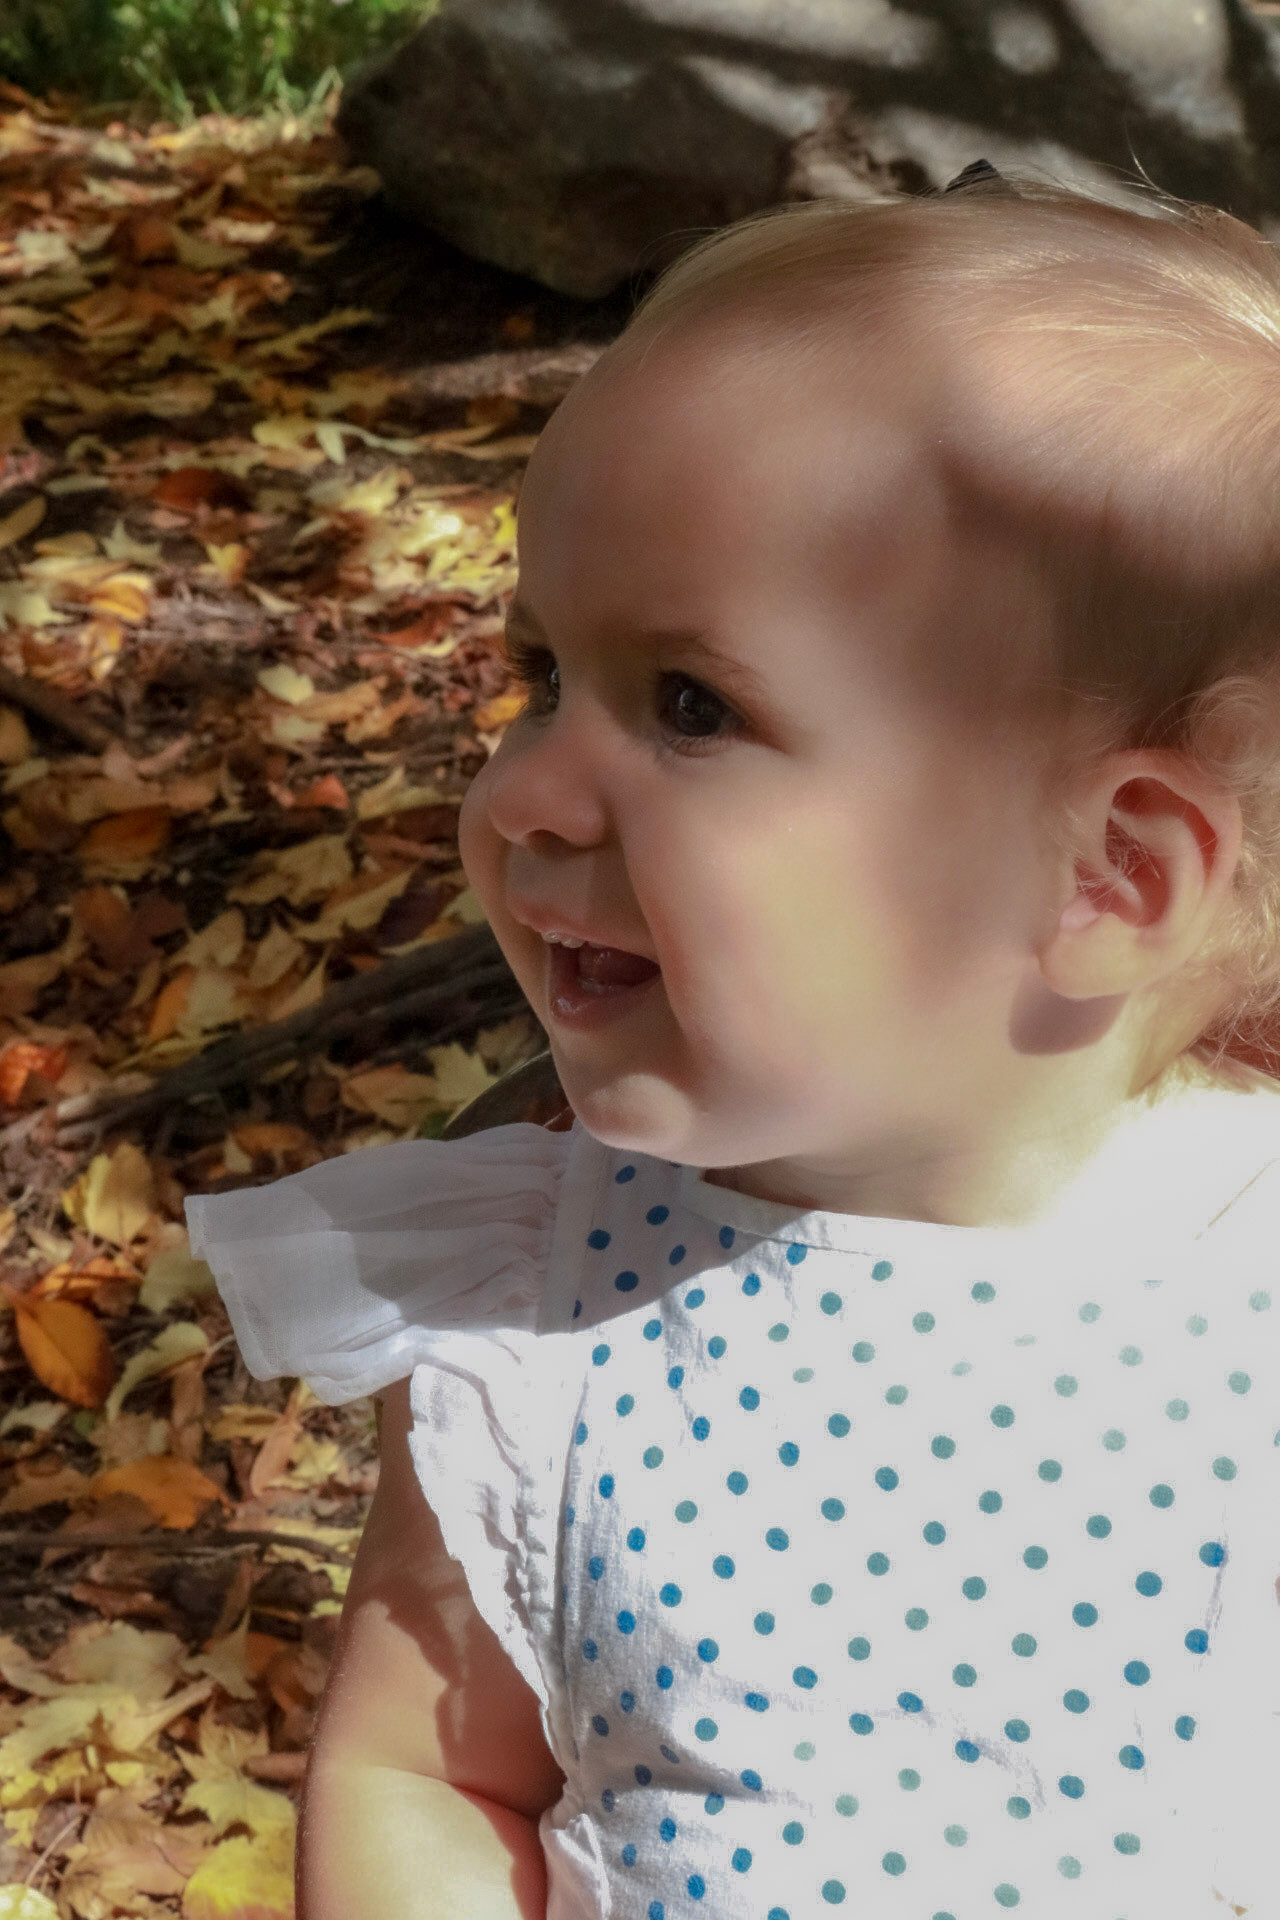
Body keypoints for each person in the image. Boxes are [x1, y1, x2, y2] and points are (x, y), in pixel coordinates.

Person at [187, 162, 1280, 1920]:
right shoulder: (545, 1299)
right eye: (543, 677)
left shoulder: (1249, 1306)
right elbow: (431, 1772)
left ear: (1111, 875)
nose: (527, 795)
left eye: (691, 706)